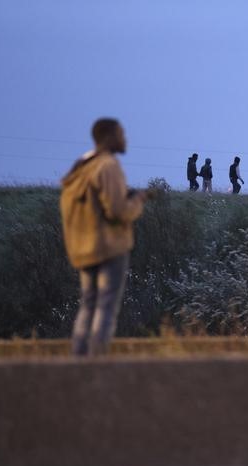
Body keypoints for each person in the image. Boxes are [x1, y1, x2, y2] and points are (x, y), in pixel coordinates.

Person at [59, 118, 148, 356]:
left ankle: (79, 358)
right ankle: (96, 361)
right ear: (109, 137)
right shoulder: (108, 165)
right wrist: (138, 200)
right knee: (106, 307)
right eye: (121, 133)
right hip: (109, 248)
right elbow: (118, 211)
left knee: (88, 304)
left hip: (84, 247)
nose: (125, 138)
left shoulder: (81, 167)